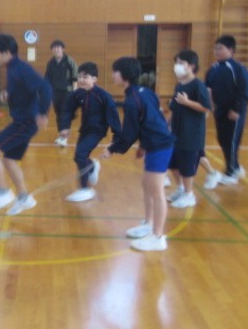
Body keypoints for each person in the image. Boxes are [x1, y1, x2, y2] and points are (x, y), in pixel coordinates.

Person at [101, 57, 175, 252]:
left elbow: (129, 133)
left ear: (124, 75)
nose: (112, 75)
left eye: (115, 71)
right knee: (147, 186)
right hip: (153, 145)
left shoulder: (132, 101)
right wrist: (143, 145)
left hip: (160, 146)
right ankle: (148, 224)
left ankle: (157, 237)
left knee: (156, 192)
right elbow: (152, 119)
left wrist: (112, 149)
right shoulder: (145, 92)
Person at [0, 34, 52, 216]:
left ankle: (3, 193)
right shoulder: (12, 68)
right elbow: (20, 87)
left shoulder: (21, 68)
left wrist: (43, 113)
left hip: (25, 122)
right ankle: (24, 198)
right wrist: (7, 92)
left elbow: (45, 88)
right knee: (9, 159)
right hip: (23, 120)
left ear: (7, 53)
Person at [58, 62, 121, 202]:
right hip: (85, 130)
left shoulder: (103, 96)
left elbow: (114, 118)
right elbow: (68, 109)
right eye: (79, 77)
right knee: (78, 157)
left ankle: (85, 189)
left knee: (81, 155)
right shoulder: (78, 94)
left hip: (97, 131)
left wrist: (115, 143)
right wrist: (65, 126)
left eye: (85, 77)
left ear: (94, 79)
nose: (81, 80)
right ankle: (92, 166)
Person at [165, 50, 212, 209]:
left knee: (186, 166)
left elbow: (206, 107)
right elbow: (173, 107)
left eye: (180, 63)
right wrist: (166, 124)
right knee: (173, 164)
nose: (177, 66)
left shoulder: (198, 85)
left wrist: (187, 102)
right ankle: (180, 189)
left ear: (191, 66)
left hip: (191, 134)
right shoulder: (179, 85)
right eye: (176, 63)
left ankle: (189, 194)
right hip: (176, 132)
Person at [205, 35, 248, 185]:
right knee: (223, 139)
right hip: (220, 110)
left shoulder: (238, 69)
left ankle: (231, 172)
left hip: (234, 111)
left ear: (231, 50)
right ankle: (235, 167)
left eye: (220, 48)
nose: (216, 51)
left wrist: (236, 109)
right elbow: (208, 88)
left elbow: (245, 91)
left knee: (232, 141)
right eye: (215, 48)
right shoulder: (213, 69)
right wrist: (210, 105)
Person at [45, 39, 78, 147]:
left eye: (58, 47)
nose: (56, 50)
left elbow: (75, 77)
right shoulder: (50, 63)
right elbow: (47, 79)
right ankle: (61, 135)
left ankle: (64, 138)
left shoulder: (69, 61)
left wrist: (75, 92)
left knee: (65, 114)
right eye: (54, 48)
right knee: (58, 115)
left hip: (67, 93)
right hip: (55, 93)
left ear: (62, 49)